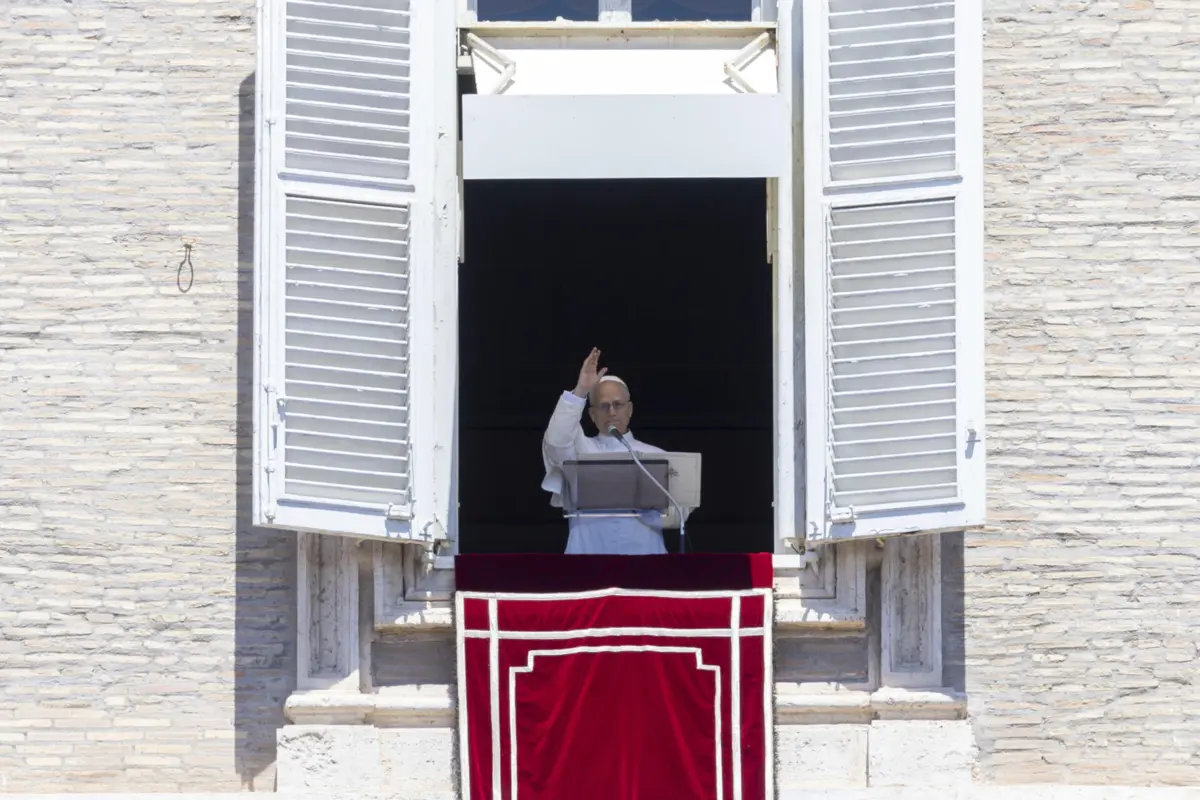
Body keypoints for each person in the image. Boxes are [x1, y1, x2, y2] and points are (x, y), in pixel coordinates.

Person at [540, 348, 668, 555]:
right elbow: (556, 441)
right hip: (588, 556)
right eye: (603, 406)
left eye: (618, 405)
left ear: (630, 409)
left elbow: (679, 512)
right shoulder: (579, 451)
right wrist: (581, 390)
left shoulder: (658, 457)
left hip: (645, 557)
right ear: (591, 414)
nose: (612, 412)